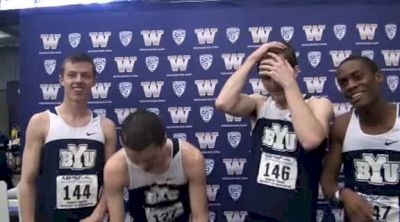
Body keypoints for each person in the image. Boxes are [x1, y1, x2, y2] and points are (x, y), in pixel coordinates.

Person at [215, 41, 333, 221]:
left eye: (278, 72)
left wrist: (288, 83)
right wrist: (251, 59)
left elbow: (310, 139)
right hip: (258, 213)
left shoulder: (318, 105)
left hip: (297, 215)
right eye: (266, 75)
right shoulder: (260, 104)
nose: (273, 81)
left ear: (295, 71)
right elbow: (223, 102)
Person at [19, 53, 117, 222]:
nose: (78, 80)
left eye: (85, 75)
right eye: (72, 75)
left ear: (94, 81)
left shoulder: (106, 127)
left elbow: (112, 180)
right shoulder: (41, 122)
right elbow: (27, 181)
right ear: (61, 79)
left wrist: (98, 215)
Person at [321, 56, 400, 222]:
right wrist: (343, 194)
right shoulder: (342, 125)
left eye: (357, 77)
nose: (350, 85)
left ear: (378, 77)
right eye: (343, 82)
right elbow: (327, 180)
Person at [104, 109, 208, 222]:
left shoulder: (190, 159)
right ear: (123, 144)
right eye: (134, 160)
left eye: (150, 159)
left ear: (163, 142)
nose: (143, 166)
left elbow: (200, 216)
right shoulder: (115, 169)